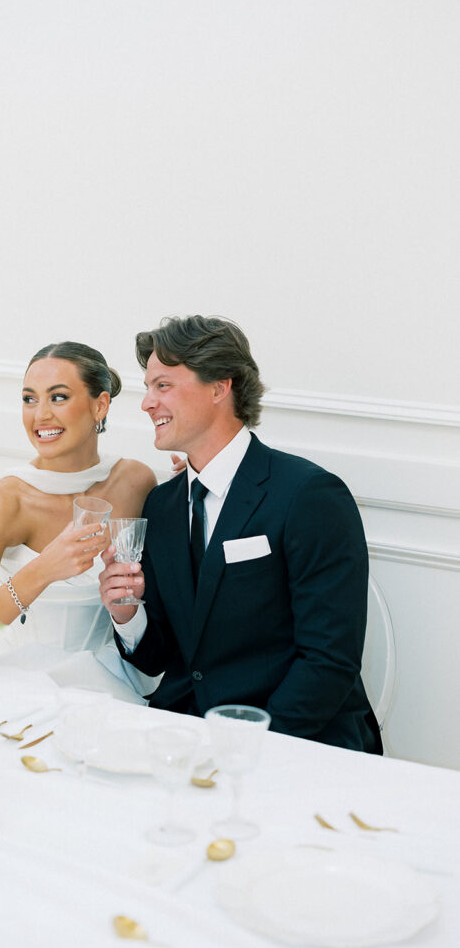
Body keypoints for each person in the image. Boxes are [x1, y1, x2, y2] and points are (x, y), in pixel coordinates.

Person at [99, 315, 382, 752]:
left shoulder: (309, 495)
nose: (146, 403)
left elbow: (328, 661)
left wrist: (249, 751)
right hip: (185, 736)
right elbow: (162, 657)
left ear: (219, 387)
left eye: (163, 385)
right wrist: (127, 612)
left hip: (295, 742)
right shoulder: (163, 505)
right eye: (147, 387)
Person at [0, 341, 162, 703]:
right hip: (17, 683)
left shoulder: (135, 481)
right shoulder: (3, 505)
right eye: (29, 399)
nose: (40, 415)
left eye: (57, 397)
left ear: (99, 405)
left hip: (112, 683)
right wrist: (42, 570)